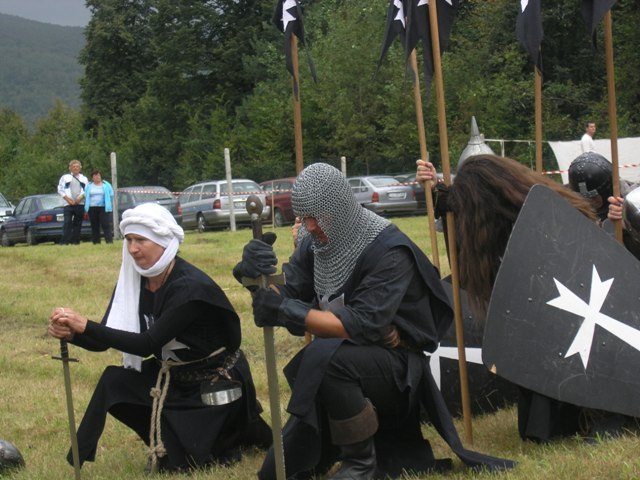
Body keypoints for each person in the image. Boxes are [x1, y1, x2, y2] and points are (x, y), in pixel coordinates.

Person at [235, 163, 513, 480]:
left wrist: (286, 310)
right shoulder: (317, 244)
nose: (309, 226)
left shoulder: (388, 249)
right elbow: (286, 293)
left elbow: (359, 323)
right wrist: (252, 278)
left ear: (337, 208)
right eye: (304, 217)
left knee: (329, 358)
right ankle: (338, 443)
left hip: (396, 370)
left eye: (315, 216)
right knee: (275, 473)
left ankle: (361, 463)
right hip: (337, 366)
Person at [416, 154, 640, 442]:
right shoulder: (511, 226)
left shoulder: (554, 215)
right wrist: (437, 191)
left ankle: (609, 412)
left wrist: (622, 228)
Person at [48, 202, 271, 473]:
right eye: (129, 240)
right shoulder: (135, 281)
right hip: (173, 376)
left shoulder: (189, 287)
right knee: (114, 381)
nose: (133, 249)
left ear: (163, 242)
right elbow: (106, 338)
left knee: (183, 465)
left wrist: (85, 325)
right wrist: (74, 334)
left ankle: (231, 434)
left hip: (212, 383)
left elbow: (146, 344)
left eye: (141, 240)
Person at [57, 159, 88, 245]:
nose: (75, 168)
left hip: (80, 203)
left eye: (77, 166)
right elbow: (60, 189)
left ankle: (75, 241)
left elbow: (86, 190)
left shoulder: (84, 179)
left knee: (78, 223)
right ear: (70, 168)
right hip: (68, 204)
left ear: (80, 168)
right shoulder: (65, 177)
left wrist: (80, 198)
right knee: (67, 222)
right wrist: (68, 200)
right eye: (73, 167)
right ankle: (65, 241)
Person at [84, 169, 115, 244]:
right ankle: (96, 242)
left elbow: (111, 195)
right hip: (92, 207)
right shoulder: (89, 185)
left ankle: (109, 241)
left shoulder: (106, 184)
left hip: (104, 207)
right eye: (95, 176)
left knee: (105, 224)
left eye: (98, 175)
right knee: (94, 225)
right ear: (92, 177)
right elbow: (86, 195)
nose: (97, 177)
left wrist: (109, 203)